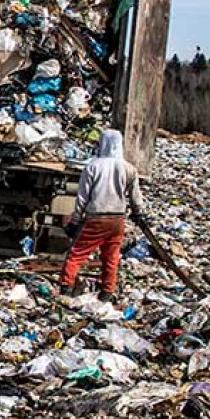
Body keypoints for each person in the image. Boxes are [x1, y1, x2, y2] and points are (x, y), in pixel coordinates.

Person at [60, 128, 145, 302]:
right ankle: (107, 292)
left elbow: (82, 197)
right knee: (111, 257)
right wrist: (140, 213)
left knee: (76, 254)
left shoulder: (92, 166)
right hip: (117, 220)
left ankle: (65, 289)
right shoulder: (129, 168)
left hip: (96, 218)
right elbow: (136, 197)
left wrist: (75, 220)